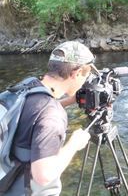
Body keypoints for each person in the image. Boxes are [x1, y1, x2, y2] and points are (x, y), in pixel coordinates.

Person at [5, 41, 93, 195]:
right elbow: (43, 176)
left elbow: (34, 113)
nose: (85, 82)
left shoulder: (26, 87)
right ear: (76, 73)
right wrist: (74, 144)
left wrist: (69, 101)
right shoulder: (52, 115)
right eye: (86, 76)